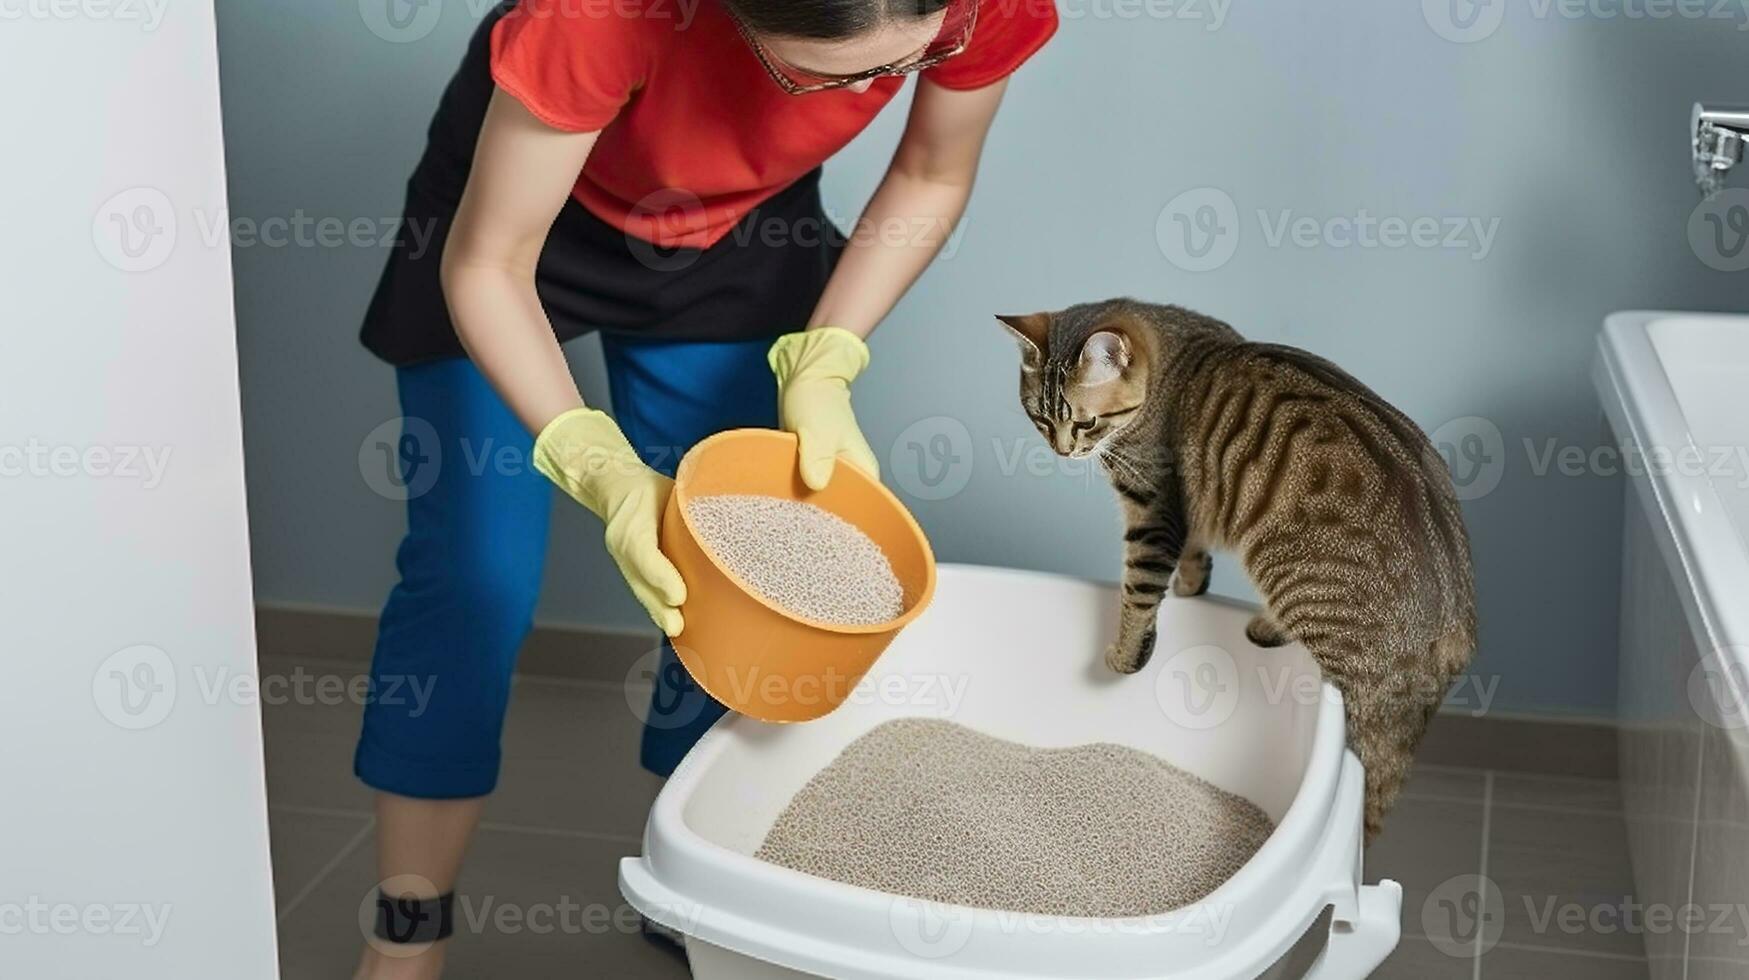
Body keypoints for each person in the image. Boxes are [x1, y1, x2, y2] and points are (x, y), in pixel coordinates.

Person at [351, 0, 1056, 974]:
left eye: (901, 65)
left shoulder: (982, 6)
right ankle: (405, 940)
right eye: (826, 78)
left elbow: (932, 169)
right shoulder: (597, 17)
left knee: (742, 567)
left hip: (740, 233)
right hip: (517, 225)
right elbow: (487, 264)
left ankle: (696, 887)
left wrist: (828, 354)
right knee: (476, 578)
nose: (867, 97)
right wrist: (595, 462)